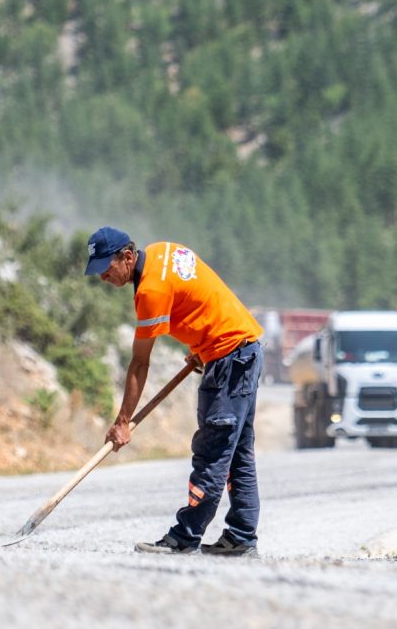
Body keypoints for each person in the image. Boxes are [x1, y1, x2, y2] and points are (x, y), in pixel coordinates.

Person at [84, 226, 264, 556]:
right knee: (237, 452)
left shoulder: (150, 291)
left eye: (106, 268)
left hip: (230, 358)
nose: (102, 277)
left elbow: (140, 363)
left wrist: (122, 422)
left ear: (127, 256)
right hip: (242, 349)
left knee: (214, 451)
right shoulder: (161, 251)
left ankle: (185, 537)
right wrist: (202, 346)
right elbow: (198, 296)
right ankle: (241, 537)